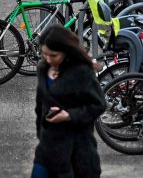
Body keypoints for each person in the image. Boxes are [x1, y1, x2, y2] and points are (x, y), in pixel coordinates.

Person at [31, 26, 105, 178]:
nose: (48, 59)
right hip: (48, 146)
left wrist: (70, 115)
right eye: (44, 54)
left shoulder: (81, 72)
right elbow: (40, 105)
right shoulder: (43, 69)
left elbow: (98, 104)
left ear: (66, 51)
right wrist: (41, 133)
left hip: (76, 148)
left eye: (53, 55)